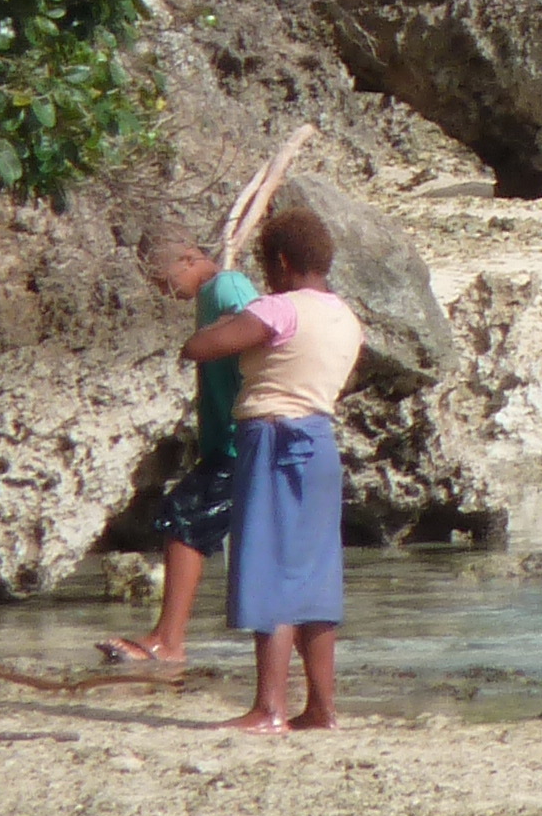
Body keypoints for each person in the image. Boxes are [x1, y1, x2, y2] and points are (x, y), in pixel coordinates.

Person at [180, 203, 366, 735]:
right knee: (315, 576)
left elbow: (200, 347)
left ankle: (270, 708)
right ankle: (323, 708)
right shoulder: (345, 317)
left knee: (268, 570)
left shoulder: (280, 310)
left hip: (273, 437)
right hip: (320, 441)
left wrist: (224, 320)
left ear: (282, 262)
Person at [101, 234, 259, 670]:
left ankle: (168, 641)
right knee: (192, 522)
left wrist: (205, 340)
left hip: (238, 439)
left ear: (189, 260)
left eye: (161, 277)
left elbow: (254, 322)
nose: (160, 289)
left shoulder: (226, 285)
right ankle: (169, 639)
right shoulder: (211, 294)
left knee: (183, 520)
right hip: (227, 439)